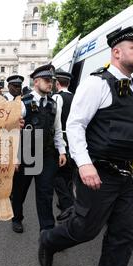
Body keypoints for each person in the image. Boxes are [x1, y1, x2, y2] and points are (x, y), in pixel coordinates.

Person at [38, 23, 133, 266]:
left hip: (125, 176)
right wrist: (84, 163)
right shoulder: (96, 83)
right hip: (98, 172)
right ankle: (48, 240)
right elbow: (75, 125)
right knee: (84, 229)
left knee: (123, 236)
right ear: (116, 52)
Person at [10, 64, 67, 234]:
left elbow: (57, 128)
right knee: (20, 191)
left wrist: (61, 150)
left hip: (47, 154)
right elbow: (13, 131)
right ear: (36, 82)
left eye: (52, 81)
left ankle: (47, 230)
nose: (50, 84)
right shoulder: (22, 103)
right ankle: (17, 218)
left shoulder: (54, 104)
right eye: (47, 80)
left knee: (45, 193)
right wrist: (15, 158)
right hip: (26, 152)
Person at [52, 70, 75, 221]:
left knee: (56, 174)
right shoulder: (75, 96)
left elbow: (55, 121)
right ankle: (65, 204)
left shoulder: (56, 97)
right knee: (67, 174)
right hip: (73, 139)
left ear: (57, 83)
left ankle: (68, 205)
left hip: (61, 138)